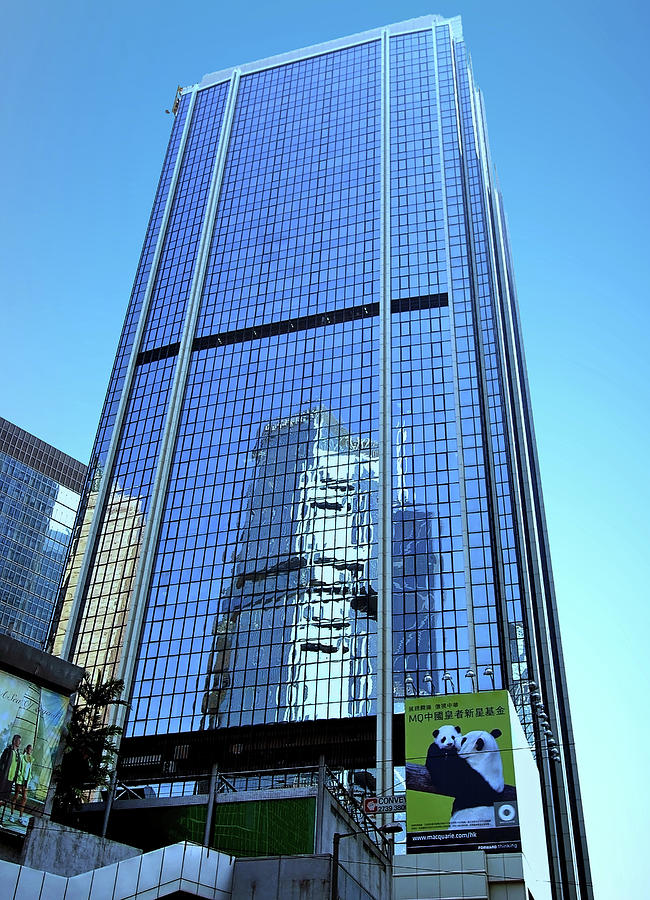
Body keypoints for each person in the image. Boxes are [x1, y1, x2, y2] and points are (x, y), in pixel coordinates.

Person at [10, 743, 34, 825]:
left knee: (24, 798)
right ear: (26, 749)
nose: (30, 751)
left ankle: (20, 816)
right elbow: (19, 768)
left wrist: (29, 780)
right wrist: (19, 776)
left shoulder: (31, 759)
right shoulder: (22, 756)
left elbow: (30, 771)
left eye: (31, 749)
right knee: (16, 796)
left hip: (26, 781)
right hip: (20, 780)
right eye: (29, 749)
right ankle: (11, 815)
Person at [0, 735, 21, 824]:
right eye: (18, 740)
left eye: (20, 741)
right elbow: (1, 763)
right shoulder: (8, 750)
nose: (19, 742)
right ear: (14, 741)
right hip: (4, 777)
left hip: (10, 779)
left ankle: (1, 817)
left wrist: (15, 778)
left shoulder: (17, 753)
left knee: (4, 799)